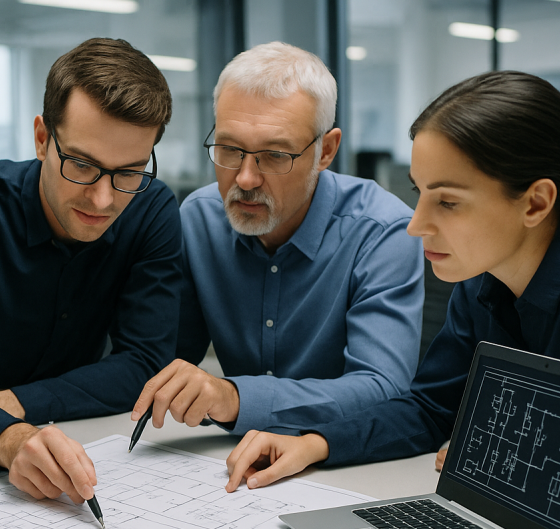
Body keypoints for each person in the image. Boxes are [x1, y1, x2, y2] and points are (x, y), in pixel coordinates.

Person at [224, 71, 560, 529]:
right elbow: (429, 410)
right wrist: (316, 444)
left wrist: (501, 467)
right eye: (418, 193)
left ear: (536, 203)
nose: (416, 225)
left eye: (447, 202)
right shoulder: (484, 275)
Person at [0, 38, 181, 506]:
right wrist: (11, 438)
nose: (104, 199)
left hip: (90, 447)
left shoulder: (151, 210)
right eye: (83, 165)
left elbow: (145, 364)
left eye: (129, 171)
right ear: (42, 139)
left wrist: (18, 401)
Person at [132, 42, 423, 435]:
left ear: (326, 151)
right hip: (228, 463)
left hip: (348, 461)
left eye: (274, 156)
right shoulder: (198, 220)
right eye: (230, 149)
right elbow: (161, 361)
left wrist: (235, 398)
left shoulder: (383, 231)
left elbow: (383, 389)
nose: (246, 179)